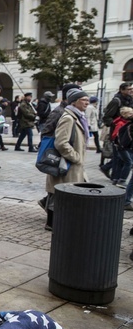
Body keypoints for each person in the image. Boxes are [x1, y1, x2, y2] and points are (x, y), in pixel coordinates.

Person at [44, 88, 90, 231]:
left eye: (88, 100)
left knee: (63, 193)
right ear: (74, 101)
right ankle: (52, 223)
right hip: (68, 163)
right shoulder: (68, 118)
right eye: (83, 99)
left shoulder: (78, 116)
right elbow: (61, 142)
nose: (87, 102)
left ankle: (58, 221)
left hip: (73, 164)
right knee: (59, 193)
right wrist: (75, 156)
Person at [101, 82, 133, 186]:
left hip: (128, 133)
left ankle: (114, 175)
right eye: (128, 89)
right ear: (122, 90)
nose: (130, 91)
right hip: (118, 134)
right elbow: (106, 117)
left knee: (122, 158)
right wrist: (117, 124)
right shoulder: (116, 101)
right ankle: (116, 179)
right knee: (119, 158)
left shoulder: (130, 99)